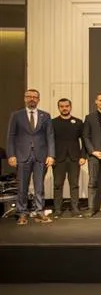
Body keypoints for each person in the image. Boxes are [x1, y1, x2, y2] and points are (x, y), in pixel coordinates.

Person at [6, 89, 55, 225]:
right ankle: (22, 213)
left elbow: (50, 136)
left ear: (38, 99)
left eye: (35, 97)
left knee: (39, 186)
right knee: (22, 186)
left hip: (41, 155)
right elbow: (11, 136)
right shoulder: (16, 115)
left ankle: (39, 212)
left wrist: (51, 155)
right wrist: (11, 155)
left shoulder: (45, 115)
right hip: (22, 155)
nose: (32, 99)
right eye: (29, 96)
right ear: (25, 98)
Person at [52, 98, 86, 218]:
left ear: (70, 107)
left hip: (74, 158)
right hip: (58, 158)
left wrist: (83, 156)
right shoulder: (53, 122)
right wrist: (51, 156)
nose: (64, 108)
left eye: (66, 106)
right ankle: (57, 209)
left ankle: (75, 209)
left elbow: (84, 140)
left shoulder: (78, 122)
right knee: (57, 185)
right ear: (58, 108)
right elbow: (49, 141)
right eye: (62, 106)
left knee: (74, 185)